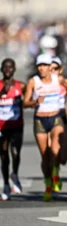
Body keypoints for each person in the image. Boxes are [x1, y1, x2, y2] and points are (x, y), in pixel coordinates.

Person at [23, 54, 67, 201]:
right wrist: (35, 102)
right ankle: (48, 184)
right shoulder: (33, 82)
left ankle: (56, 173)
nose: (42, 68)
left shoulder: (58, 79)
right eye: (39, 66)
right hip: (40, 120)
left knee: (55, 150)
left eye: (45, 65)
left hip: (56, 118)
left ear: (50, 67)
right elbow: (25, 102)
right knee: (45, 156)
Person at [0, 59, 25, 201]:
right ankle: (6, 185)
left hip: (16, 126)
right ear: (1, 69)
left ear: (14, 69)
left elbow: (29, 99)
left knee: (15, 153)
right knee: (4, 156)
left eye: (10, 67)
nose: (8, 70)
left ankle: (14, 173)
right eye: (5, 67)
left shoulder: (21, 86)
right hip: (2, 127)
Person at [51, 57, 67, 168]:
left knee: (63, 155)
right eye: (50, 69)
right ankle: (53, 173)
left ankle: (57, 164)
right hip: (47, 117)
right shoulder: (40, 82)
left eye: (55, 69)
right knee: (51, 149)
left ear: (60, 70)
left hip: (61, 114)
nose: (52, 72)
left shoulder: (63, 81)